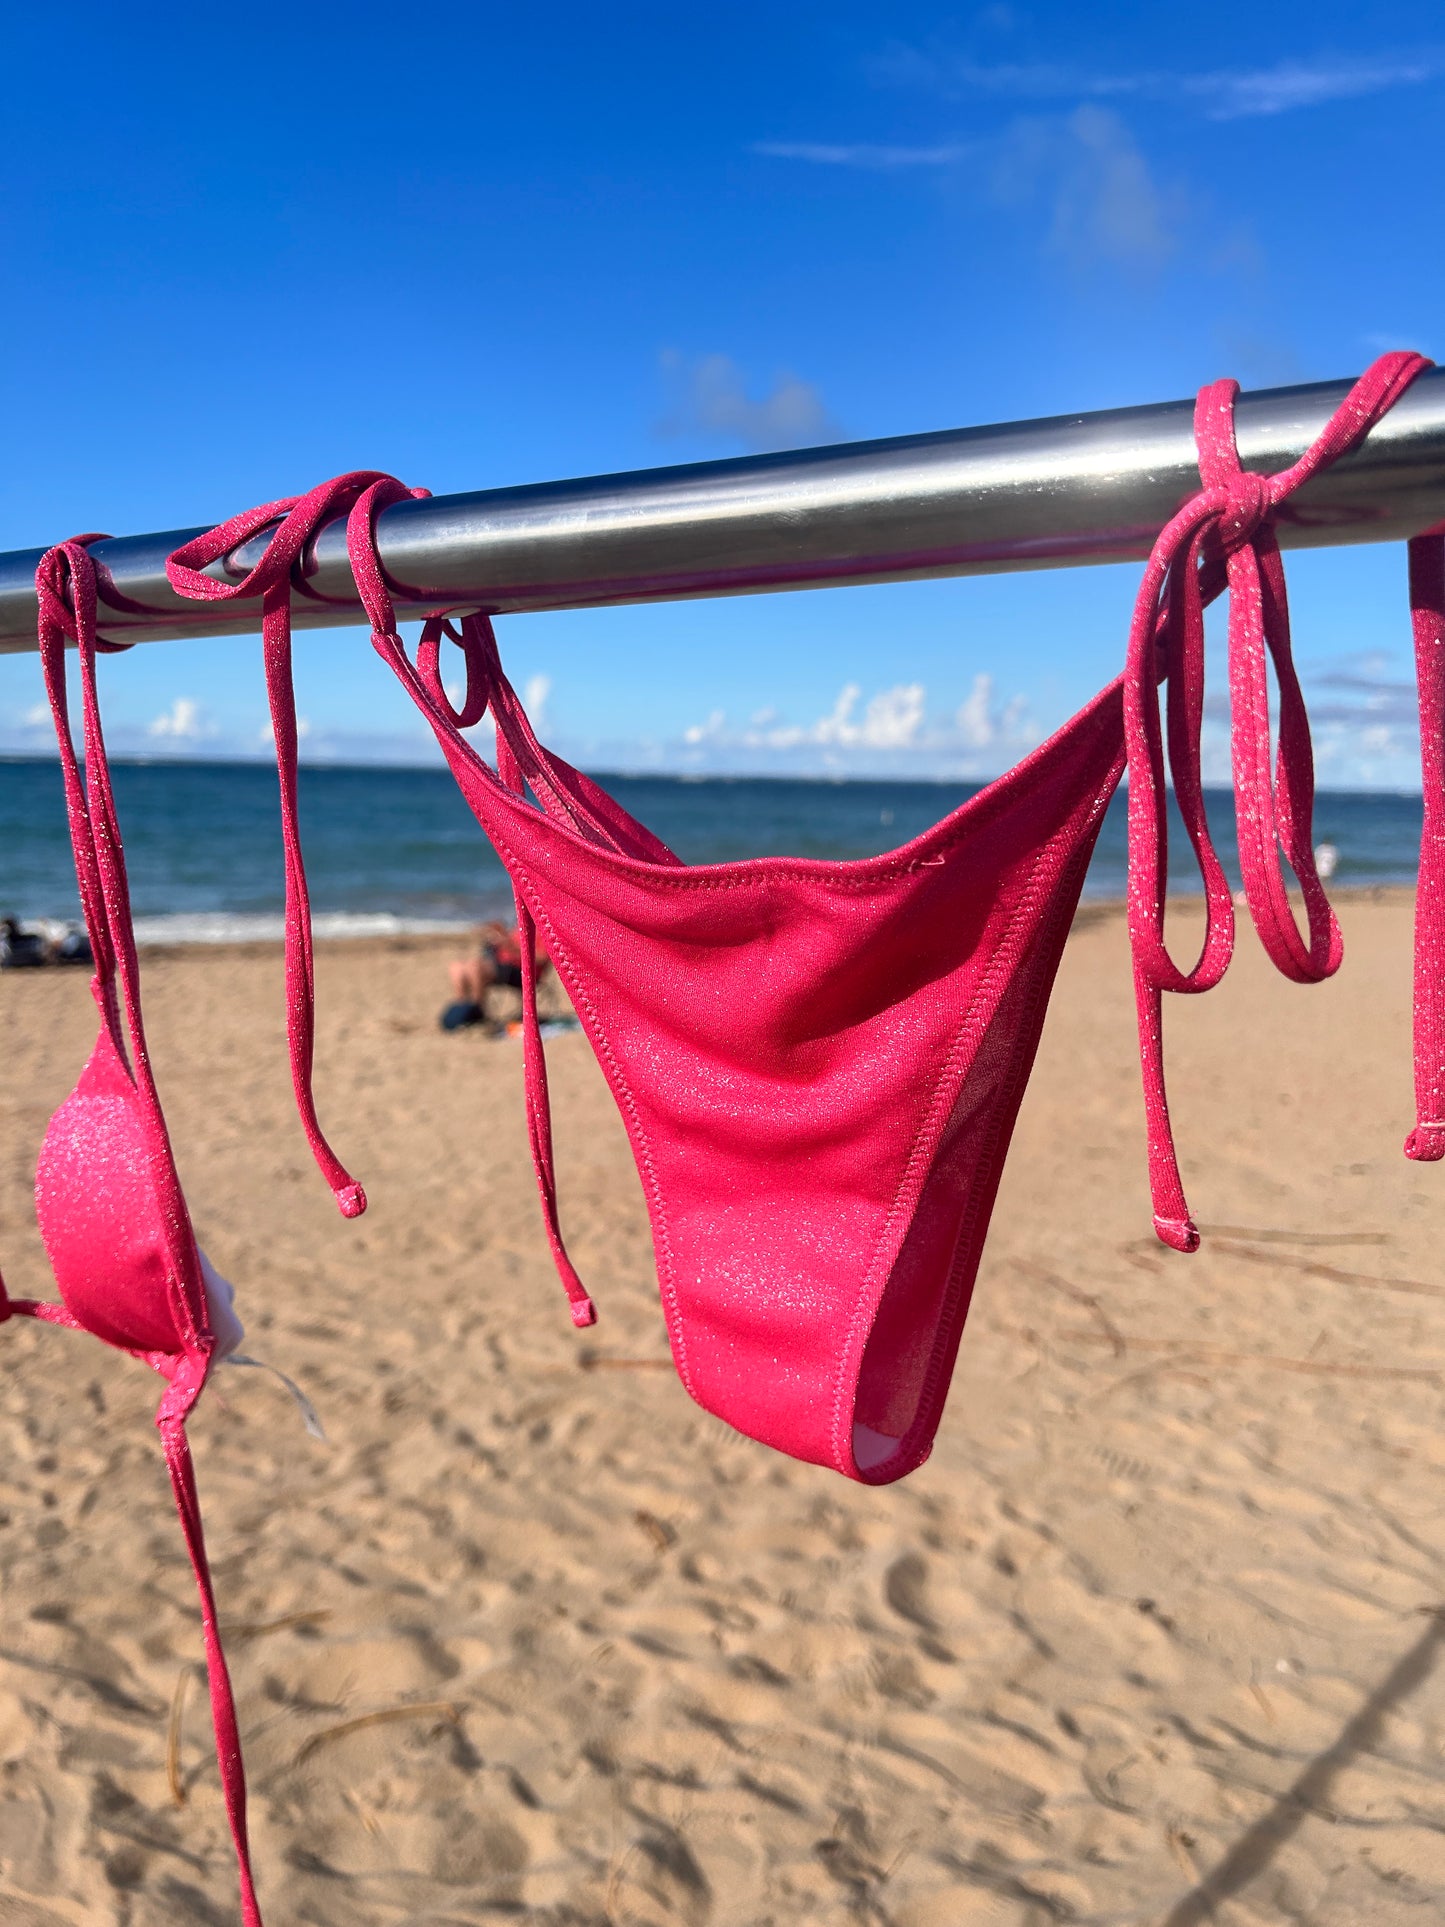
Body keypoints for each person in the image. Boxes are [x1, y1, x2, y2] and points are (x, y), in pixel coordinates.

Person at [440, 920, 549, 1031]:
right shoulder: (519, 927)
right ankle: (462, 1006)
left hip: (522, 970)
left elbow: (542, 959)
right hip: (501, 964)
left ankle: (478, 1010)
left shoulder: (542, 931)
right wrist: (497, 933)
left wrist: (509, 946)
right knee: (457, 967)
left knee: (475, 967)